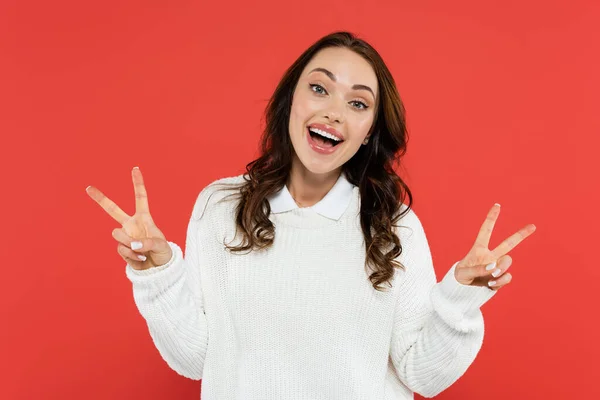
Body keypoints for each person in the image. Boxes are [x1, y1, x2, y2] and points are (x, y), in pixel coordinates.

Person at [86, 31, 536, 399]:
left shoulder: (393, 226)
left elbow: (423, 374)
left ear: (367, 134)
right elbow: (196, 360)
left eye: (357, 103)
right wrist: (158, 273)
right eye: (319, 88)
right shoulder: (220, 207)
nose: (333, 112)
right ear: (291, 102)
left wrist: (459, 299)